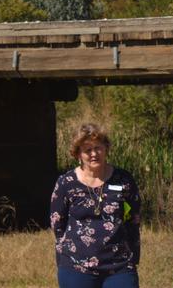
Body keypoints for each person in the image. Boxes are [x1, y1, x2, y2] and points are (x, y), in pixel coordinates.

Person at [50, 123, 141, 288]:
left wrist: (134, 256)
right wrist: (64, 255)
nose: (94, 154)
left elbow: (133, 220)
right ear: (78, 154)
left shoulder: (124, 179)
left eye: (98, 148)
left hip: (120, 267)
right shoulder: (66, 183)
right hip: (76, 268)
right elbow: (57, 224)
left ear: (106, 148)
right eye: (87, 150)